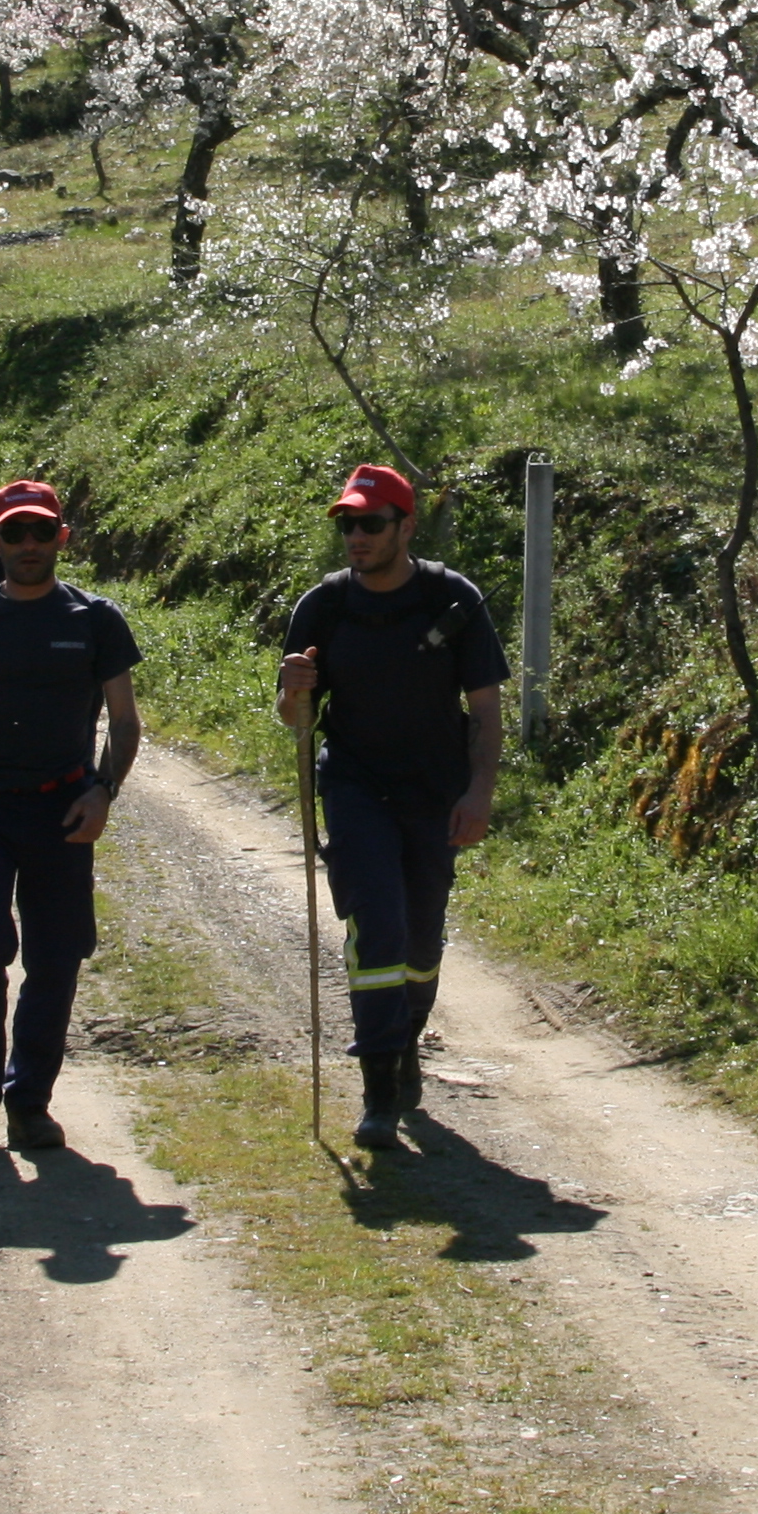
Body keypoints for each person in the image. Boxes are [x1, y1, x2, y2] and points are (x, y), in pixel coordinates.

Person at [275, 463, 505, 1150]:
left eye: (370, 524)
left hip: (433, 792)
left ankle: (404, 1038)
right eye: (348, 523)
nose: (356, 536)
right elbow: (296, 720)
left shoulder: (452, 600)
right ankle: (377, 1090)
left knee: (420, 937)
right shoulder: (323, 607)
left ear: (406, 526)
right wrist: (293, 691)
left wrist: (479, 791)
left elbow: (486, 712)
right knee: (375, 925)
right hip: (353, 787)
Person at [0, 481, 140, 1152]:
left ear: (62, 538)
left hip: (63, 806)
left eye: (42, 532)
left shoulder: (95, 619)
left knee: (55, 958)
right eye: (14, 534)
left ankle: (29, 1103)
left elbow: (125, 724)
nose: (30, 545)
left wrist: (104, 791)